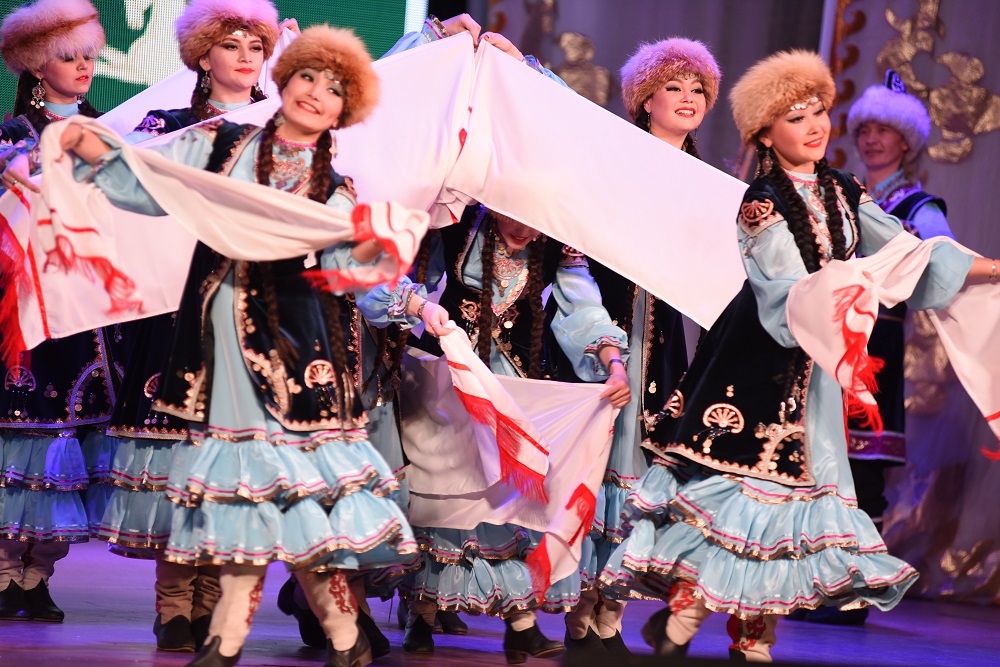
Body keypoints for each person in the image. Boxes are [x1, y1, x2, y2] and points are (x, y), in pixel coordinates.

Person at [599, 49, 995, 662]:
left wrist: (987, 268)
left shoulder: (844, 191)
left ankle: (752, 638)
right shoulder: (759, 202)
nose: (814, 126)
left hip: (817, 374)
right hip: (757, 368)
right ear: (765, 133)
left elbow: (907, 253)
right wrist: (854, 288)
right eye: (795, 117)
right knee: (738, 499)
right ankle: (686, 614)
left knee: (801, 506)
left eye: (818, 112)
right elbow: (783, 287)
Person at [63, 24, 416, 667]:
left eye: (334, 89)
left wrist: (378, 253)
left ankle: (272, 641)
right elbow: (147, 182)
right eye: (308, 76)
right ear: (286, 79)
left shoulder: (335, 188)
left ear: (344, 111)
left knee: (298, 501)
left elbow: (351, 272)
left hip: (299, 359)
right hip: (220, 348)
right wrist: (84, 148)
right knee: (242, 501)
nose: (316, 93)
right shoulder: (221, 144)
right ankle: (300, 642)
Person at [357, 203, 629, 664]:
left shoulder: (558, 245)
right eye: (515, 214)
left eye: (534, 221)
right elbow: (410, 279)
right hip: (452, 376)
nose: (524, 228)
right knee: (447, 489)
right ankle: (422, 612)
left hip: (511, 384)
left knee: (509, 496)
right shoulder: (458, 225)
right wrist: (422, 310)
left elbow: (584, 309)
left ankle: (520, 622)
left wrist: (614, 364)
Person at [95, 0, 280, 652]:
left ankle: (209, 602)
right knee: (182, 450)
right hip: (179, 309)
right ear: (203, 55)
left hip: (251, 309)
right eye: (232, 45)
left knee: (232, 456)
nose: (246, 57)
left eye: (256, 46)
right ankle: (174, 603)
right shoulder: (169, 127)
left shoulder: (281, 130)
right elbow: (122, 187)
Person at [557, 37, 719, 659]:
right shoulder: (615, 164)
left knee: (645, 475)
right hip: (607, 330)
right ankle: (579, 611)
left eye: (697, 89)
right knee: (597, 467)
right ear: (646, 99)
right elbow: (576, 246)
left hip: (666, 343)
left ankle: (612, 614)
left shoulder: (709, 184)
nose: (687, 98)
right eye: (673, 87)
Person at [789, 69, 952, 627]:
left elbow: (945, 264)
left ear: (906, 142)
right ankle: (823, 583)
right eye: (865, 129)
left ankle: (855, 591)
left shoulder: (919, 206)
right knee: (822, 468)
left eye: (885, 130)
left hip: (873, 350)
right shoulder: (841, 193)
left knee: (864, 474)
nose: (872, 139)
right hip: (827, 345)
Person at [0, 0, 122, 624]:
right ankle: (5, 573)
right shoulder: (14, 135)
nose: (82, 67)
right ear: (35, 66)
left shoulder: (111, 129)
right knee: (29, 431)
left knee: (78, 436)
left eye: (88, 56)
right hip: (34, 304)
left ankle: (39, 573)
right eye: (67, 57)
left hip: (95, 309)